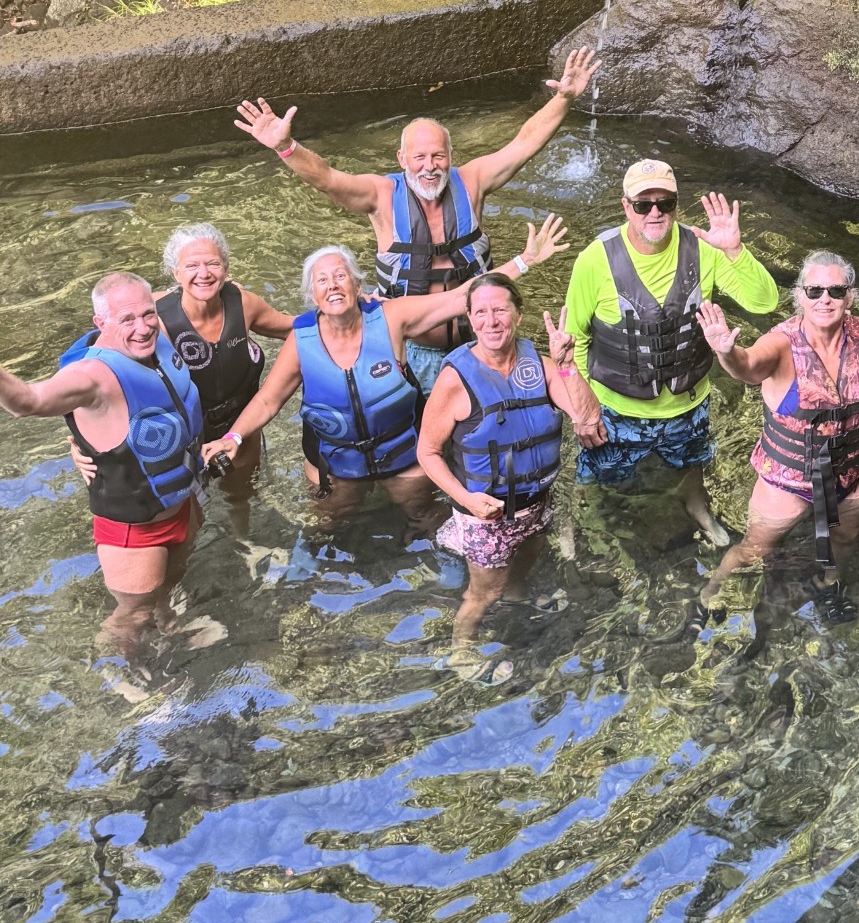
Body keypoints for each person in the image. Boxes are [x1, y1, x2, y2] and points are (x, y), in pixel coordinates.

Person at [232, 49, 595, 390]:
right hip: (414, 351)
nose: (429, 166)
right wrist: (286, 147)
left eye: (438, 156)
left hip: (482, 344)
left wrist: (563, 99)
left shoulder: (473, 181)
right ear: (402, 159)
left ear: (451, 156)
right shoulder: (381, 197)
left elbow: (524, 142)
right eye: (419, 157)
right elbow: (328, 178)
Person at [201, 238, 560, 523]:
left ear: (358, 284)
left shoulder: (391, 317)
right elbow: (268, 399)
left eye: (341, 276)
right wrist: (233, 437)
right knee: (329, 528)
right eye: (322, 280)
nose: (333, 285)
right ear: (312, 295)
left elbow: (458, 298)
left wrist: (525, 260)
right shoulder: (301, 339)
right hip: (335, 464)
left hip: (403, 457)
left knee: (425, 518)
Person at [695, 252, 859, 616]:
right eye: (814, 290)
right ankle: (714, 587)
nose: (825, 299)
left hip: (856, 470)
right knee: (755, 550)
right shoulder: (782, 342)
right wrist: (727, 351)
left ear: (850, 296)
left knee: (845, 539)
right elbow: (749, 367)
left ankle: (827, 585)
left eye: (835, 290)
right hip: (790, 476)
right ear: (799, 295)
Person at [563, 160, 780, 546]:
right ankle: (578, 519)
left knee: (692, 463)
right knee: (595, 477)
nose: (655, 212)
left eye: (665, 202)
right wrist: (583, 409)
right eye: (643, 204)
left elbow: (764, 302)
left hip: (688, 403)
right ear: (625, 206)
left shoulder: (705, 250)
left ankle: (696, 504)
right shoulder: (595, 260)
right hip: (616, 411)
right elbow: (574, 339)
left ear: (677, 204)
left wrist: (735, 251)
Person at [0, 273, 204, 643]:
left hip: (181, 504)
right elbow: (29, 401)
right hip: (134, 532)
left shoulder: (158, 338)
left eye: (147, 314)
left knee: (167, 588)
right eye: (127, 320)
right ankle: (120, 673)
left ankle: (167, 620)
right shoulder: (91, 377)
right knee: (131, 617)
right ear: (100, 324)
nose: (142, 328)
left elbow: (172, 292)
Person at [417, 273, 604, 657]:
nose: (492, 321)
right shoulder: (456, 379)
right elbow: (427, 453)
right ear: (469, 319)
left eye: (500, 309)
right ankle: (461, 649)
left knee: (524, 564)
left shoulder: (542, 364)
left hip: (537, 503)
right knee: (484, 592)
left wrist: (567, 365)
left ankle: (518, 598)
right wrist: (467, 500)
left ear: (518, 315)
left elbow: (588, 420)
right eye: (481, 312)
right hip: (485, 515)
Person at [154, 222, 293, 531]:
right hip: (186, 439)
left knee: (240, 499)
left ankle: (244, 544)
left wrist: (350, 307)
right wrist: (81, 441)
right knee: (186, 516)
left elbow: (294, 329)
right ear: (175, 273)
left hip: (241, 430)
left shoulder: (243, 303)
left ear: (226, 268)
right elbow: (102, 370)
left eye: (213, 263)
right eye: (191, 265)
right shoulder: (155, 318)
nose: (203, 273)